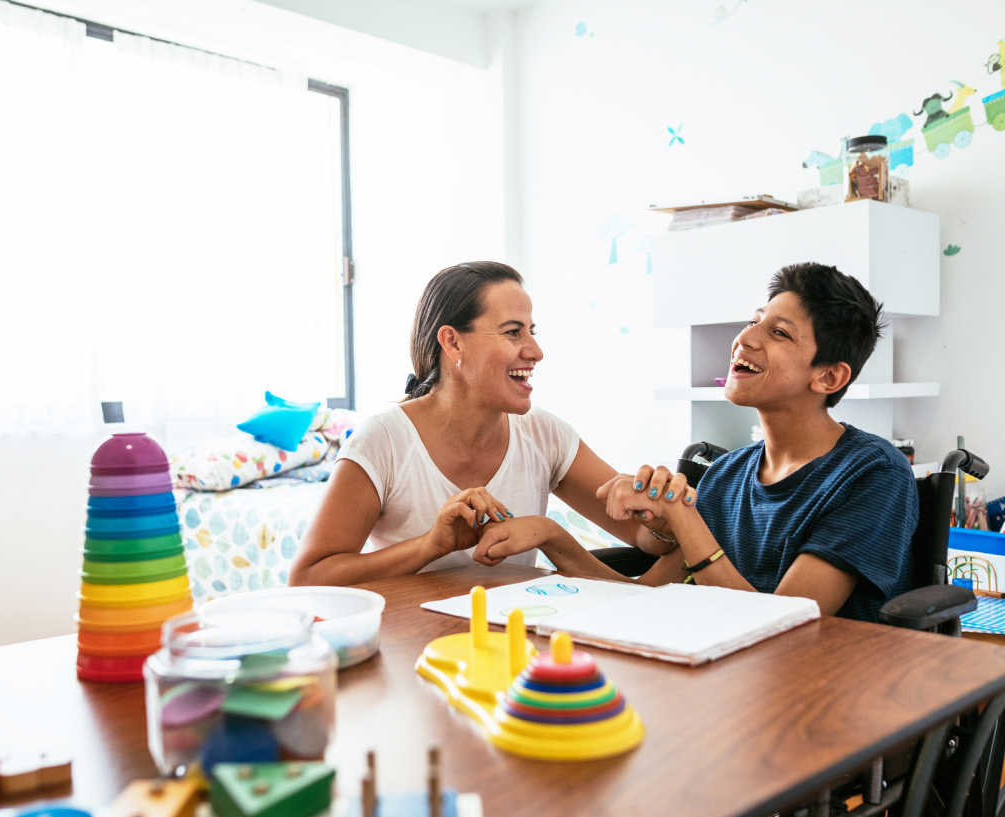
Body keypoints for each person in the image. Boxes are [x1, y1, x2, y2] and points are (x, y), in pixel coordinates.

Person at [475, 263, 919, 622]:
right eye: (754, 322)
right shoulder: (727, 475)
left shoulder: (872, 473)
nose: (745, 338)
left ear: (829, 376)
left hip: (823, 701)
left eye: (779, 333)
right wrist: (553, 536)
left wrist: (682, 517)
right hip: (733, 690)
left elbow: (784, 625)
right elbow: (642, 597)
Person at [289, 261, 681, 586]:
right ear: (453, 343)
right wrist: (430, 545)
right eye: (513, 332)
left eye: (532, 331)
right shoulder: (384, 440)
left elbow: (644, 539)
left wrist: (657, 517)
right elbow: (307, 578)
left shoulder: (545, 435)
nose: (536, 351)